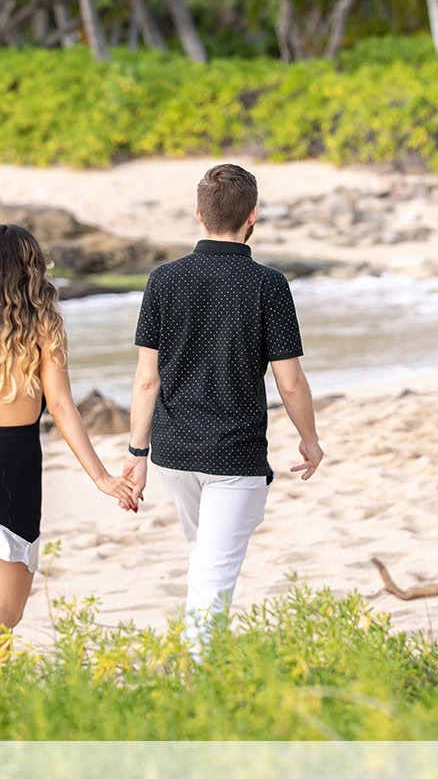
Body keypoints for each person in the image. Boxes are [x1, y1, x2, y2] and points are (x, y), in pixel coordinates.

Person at [124, 163, 323, 655]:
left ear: (198, 214)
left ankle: (208, 661)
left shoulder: (163, 279)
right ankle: (198, 677)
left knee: (207, 563)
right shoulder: (267, 283)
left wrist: (137, 452)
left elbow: (147, 377)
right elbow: (290, 381)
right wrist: (310, 439)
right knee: (212, 573)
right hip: (234, 455)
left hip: (174, 454)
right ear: (252, 215)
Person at [0, 224, 135, 655]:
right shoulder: (43, 326)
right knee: (6, 607)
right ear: (28, 270)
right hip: (7, 472)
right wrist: (101, 477)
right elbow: (61, 406)